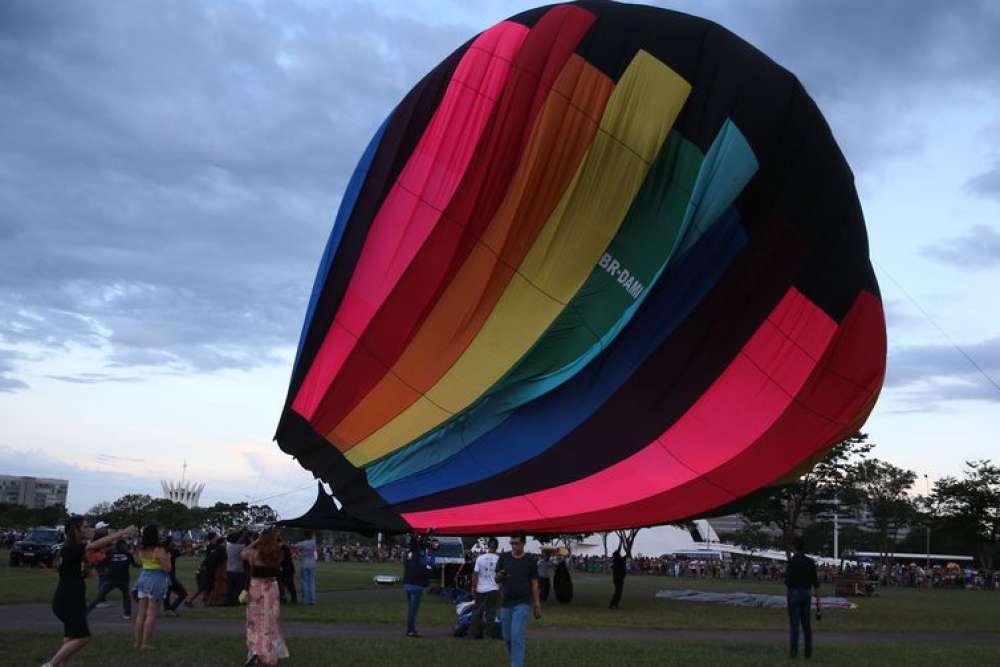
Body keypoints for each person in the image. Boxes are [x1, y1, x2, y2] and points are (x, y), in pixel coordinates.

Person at [42, 516, 136, 667]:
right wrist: (122, 532)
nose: (88, 529)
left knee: (70, 639)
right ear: (75, 529)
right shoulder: (71, 548)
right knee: (83, 638)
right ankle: (50, 665)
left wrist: (89, 566)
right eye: (85, 527)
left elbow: (86, 564)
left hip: (72, 598)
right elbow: (97, 544)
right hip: (68, 600)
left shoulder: (74, 548)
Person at [243, 532, 290, 666]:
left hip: (256, 588)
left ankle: (256, 651)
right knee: (270, 621)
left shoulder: (254, 554)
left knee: (255, 621)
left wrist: (255, 541)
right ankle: (269, 653)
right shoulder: (278, 554)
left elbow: (243, 553)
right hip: (272, 589)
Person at [496, 532, 541, 667]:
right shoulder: (504, 558)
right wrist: (500, 576)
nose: (514, 546)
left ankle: (516, 664)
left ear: (523, 543)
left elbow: (534, 583)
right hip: (506, 603)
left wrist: (537, 605)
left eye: (516, 543)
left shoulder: (530, 561)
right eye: (512, 543)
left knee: (517, 635)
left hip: (523, 602)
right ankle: (516, 659)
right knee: (507, 638)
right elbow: (496, 579)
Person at [133, 524, 172, 650]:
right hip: (156, 580)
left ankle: (137, 642)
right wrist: (168, 558)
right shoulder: (158, 550)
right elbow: (167, 568)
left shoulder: (142, 549)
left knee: (141, 613)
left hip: (143, 579)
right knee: (151, 614)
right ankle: (145, 643)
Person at [785, 536, 821, 659]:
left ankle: (793, 653)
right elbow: (815, 581)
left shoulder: (792, 561)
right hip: (807, 593)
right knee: (806, 625)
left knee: (795, 625)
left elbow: (788, 581)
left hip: (794, 592)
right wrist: (817, 599)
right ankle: (808, 653)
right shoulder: (810, 562)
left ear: (794, 547)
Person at [87, 538, 138, 619]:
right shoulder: (128, 555)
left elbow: (102, 563)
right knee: (126, 597)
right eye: (124, 545)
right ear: (123, 546)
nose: (125, 547)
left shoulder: (111, 555)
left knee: (99, 596)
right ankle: (127, 614)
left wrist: (103, 570)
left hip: (111, 579)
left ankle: (86, 612)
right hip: (123, 580)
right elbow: (134, 565)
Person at [402, 534, 436, 637]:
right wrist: (433, 553)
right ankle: (410, 630)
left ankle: (410, 629)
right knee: (413, 610)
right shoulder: (420, 554)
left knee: (410, 609)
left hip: (407, 583)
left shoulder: (407, 553)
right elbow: (430, 564)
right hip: (416, 585)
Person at [469, 537, 500, 639]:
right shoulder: (499, 559)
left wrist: (473, 588)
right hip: (494, 589)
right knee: (491, 613)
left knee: (477, 612)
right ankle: (489, 634)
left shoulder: (480, 558)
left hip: (481, 589)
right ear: (497, 547)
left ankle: (474, 633)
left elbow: (475, 574)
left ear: (488, 546)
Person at [187, 532, 220, 607]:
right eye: (216, 536)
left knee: (208, 586)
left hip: (208, 569)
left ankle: (206, 601)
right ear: (213, 538)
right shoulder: (212, 547)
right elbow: (209, 559)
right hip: (206, 569)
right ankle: (190, 600)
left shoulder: (212, 546)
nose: (217, 537)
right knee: (203, 587)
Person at [162, 535, 188, 615]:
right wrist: (177, 545)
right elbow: (182, 551)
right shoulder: (173, 551)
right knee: (183, 593)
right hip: (170, 574)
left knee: (167, 592)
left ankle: (167, 609)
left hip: (162, 574)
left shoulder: (161, 551)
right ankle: (171, 609)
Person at [294, 531, 317, 605]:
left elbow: (294, 546)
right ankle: (312, 600)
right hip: (312, 564)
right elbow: (314, 536)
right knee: (312, 582)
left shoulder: (302, 543)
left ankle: (304, 599)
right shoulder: (313, 542)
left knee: (304, 582)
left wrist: (299, 553)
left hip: (304, 563)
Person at [226, 531, 248, 606]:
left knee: (231, 588)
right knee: (241, 587)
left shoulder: (228, 546)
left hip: (229, 569)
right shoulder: (241, 547)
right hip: (239, 570)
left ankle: (231, 601)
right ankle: (241, 601)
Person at [278, 536, 297, 605]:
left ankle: (291, 599)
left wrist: (277, 563)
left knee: (288, 584)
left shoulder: (283, 548)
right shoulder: (285, 547)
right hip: (288, 568)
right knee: (286, 584)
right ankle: (287, 598)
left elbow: (281, 559)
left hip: (287, 569)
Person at [609, 544, 626, 609]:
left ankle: (615, 604)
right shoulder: (617, 561)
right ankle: (612, 604)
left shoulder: (618, 560)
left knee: (619, 592)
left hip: (619, 578)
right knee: (618, 592)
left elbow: (623, 557)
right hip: (618, 578)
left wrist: (621, 542)